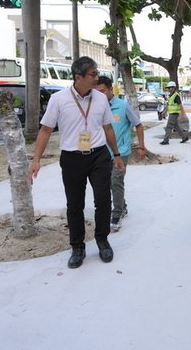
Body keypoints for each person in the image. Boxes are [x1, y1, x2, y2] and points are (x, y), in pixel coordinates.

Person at [28, 56, 126, 269]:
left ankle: (102, 240)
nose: (97, 78)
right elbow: (45, 130)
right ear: (78, 76)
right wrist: (36, 160)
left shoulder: (100, 99)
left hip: (99, 155)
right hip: (72, 158)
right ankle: (77, 247)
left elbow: (108, 128)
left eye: (97, 73)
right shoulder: (59, 99)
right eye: (93, 74)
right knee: (75, 205)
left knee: (103, 200)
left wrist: (116, 155)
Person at [95, 76, 146, 232]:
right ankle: (122, 206)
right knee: (108, 183)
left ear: (111, 89)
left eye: (102, 91)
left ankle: (116, 215)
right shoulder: (96, 107)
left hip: (121, 152)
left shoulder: (123, 106)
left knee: (116, 181)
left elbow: (138, 125)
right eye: (97, 92)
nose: (100, 95)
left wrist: (141, 147)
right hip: (102, 152)